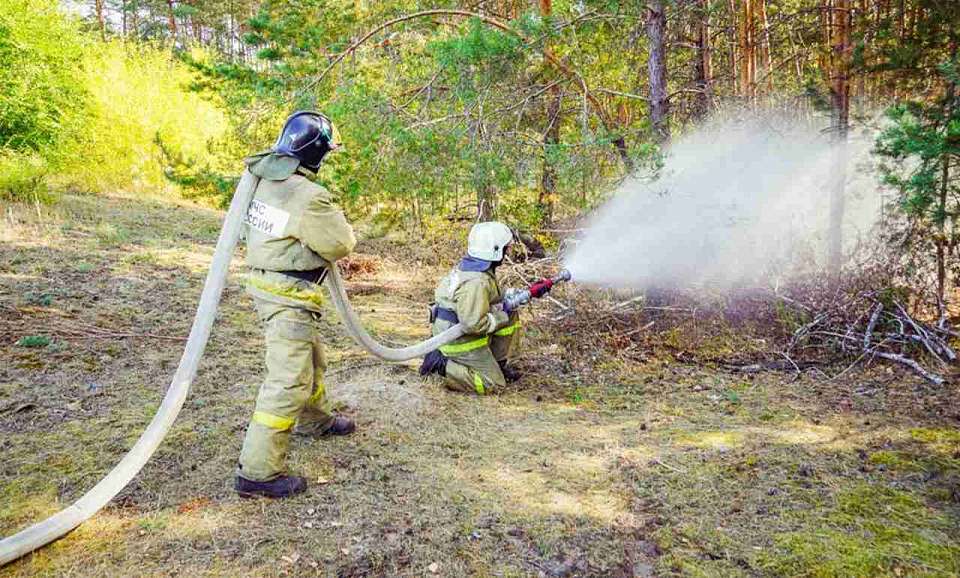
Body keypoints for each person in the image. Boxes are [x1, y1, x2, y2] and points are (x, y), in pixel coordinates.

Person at [235, 111, 357, 498]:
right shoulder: (307, 195)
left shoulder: (262, 180)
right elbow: (340, 243)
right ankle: (258, 472)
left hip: (269, 285)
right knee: (288, 380)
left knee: (312, 360)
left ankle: (315, 420)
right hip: (288, 294)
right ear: (318, 152)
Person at [419, 221, 522, 395]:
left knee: (510, 313)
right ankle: (440, 365)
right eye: (505, 248)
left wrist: (509, 296)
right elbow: (472, 324)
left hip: (455, 332)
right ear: (496, 251)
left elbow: (485, 298)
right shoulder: (477, 281)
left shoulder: (474, 271)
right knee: (493, 384)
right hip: (459, 341)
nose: (506, 252)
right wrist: (500, 316)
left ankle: (498, 365)